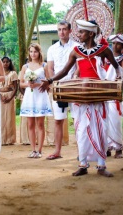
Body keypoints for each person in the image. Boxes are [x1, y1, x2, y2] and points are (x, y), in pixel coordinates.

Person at [39, 19, 121, 177]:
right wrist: (50, 80)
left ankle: (101, 166)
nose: (79, 34)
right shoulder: (76, 51)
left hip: (97, 95)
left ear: (91, 34)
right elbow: (64, 71)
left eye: (82, 32)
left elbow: (116, 67)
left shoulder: (104, 50)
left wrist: (119, 80)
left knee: (100, 129)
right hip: (81, 97)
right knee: (81, 130)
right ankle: (83, 164)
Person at [45, 20, 79, 160]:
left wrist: (75, 78)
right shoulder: (52, 49)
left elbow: (79, 66)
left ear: (70, 30)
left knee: (77, 120)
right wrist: (53, 84)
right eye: (59, 29)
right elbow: (50, 68)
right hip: (58, 87)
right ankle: (57, 151)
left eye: (64, 29)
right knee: (58, 120)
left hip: (74, 87)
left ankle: (81, 152)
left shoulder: (77, 47)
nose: (62, 32)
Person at [19, 43, 52, 159]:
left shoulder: (44, 65)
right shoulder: (25, 67)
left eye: (35, 51)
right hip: (29, 96)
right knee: (30, 124)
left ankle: (40, 150)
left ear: (39, 52)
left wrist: (38, 84)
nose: (33, 54)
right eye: (31, 51)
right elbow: (21, 83)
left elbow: (49, 82)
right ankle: (33, 149)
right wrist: (28, 84)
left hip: (40, 95)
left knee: (40, 124)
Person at [105, 34, 123, 158]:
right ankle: (107, 148)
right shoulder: (105, 58)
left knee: (115, 122)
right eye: (113, 43)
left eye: (118, 44)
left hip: (115, 94)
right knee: (105, 123)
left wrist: (120, 81)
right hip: (104, 94)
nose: (115, 45)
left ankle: (118, 149)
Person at [0, 56, 18, 145]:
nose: (5, 63)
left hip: (10, 95)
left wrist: (10, 97)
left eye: (7, 62)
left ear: (10, 63)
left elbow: (15, 87)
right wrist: (0, 96)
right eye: (3, 62)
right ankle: (1, 139)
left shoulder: (13, 73)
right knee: (0, 117)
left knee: (9, 117)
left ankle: (10, 139)